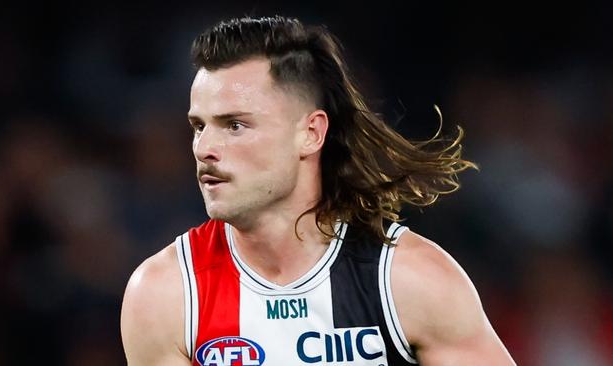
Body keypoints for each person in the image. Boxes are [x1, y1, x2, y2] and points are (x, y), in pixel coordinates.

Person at [120, 15, 516, 365]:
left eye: (235, 125)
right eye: (198, 126)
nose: (204, 148)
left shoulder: (408, 281)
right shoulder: (165, 295)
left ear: (310, 134)